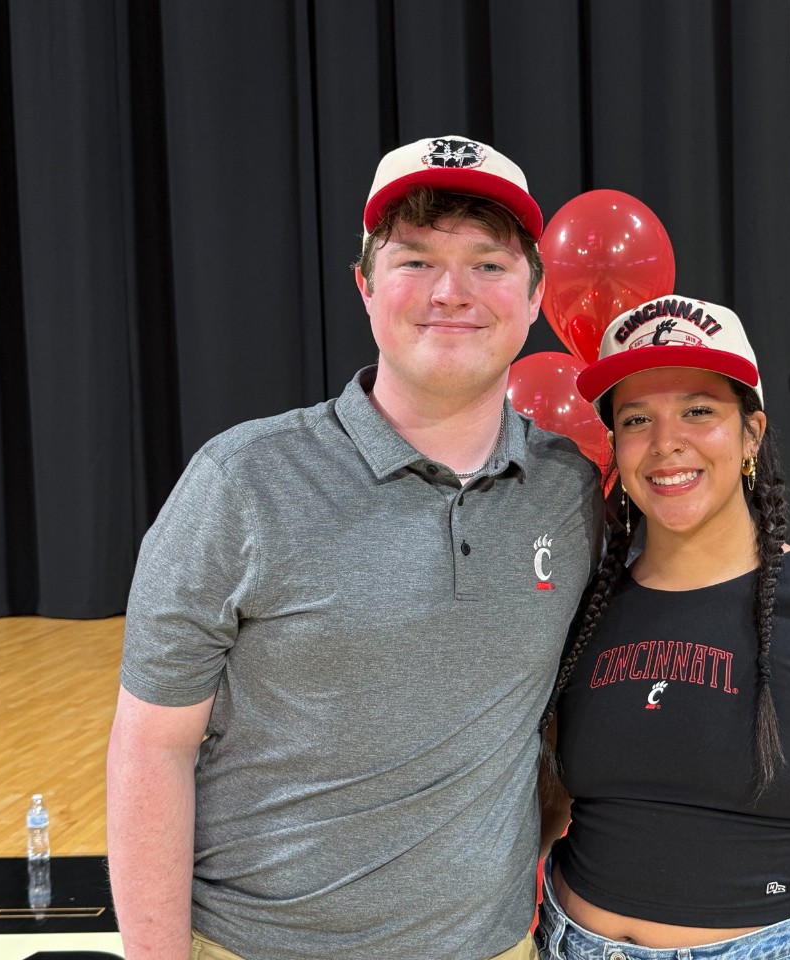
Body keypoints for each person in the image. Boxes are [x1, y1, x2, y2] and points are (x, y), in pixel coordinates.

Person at [106, 135, 602, 960]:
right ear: (365, 285)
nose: (453, 292)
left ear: (536, 294)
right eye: (415, 261)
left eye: (489, 264)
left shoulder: (569, 489)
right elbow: (153, 745)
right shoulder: (242, 482)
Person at [536, 295, 790, 960]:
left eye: (699, 411)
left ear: (752, 432)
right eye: (637, 418)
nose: (667, 442)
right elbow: (549, 810)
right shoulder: (584, 609)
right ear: (615, 444)